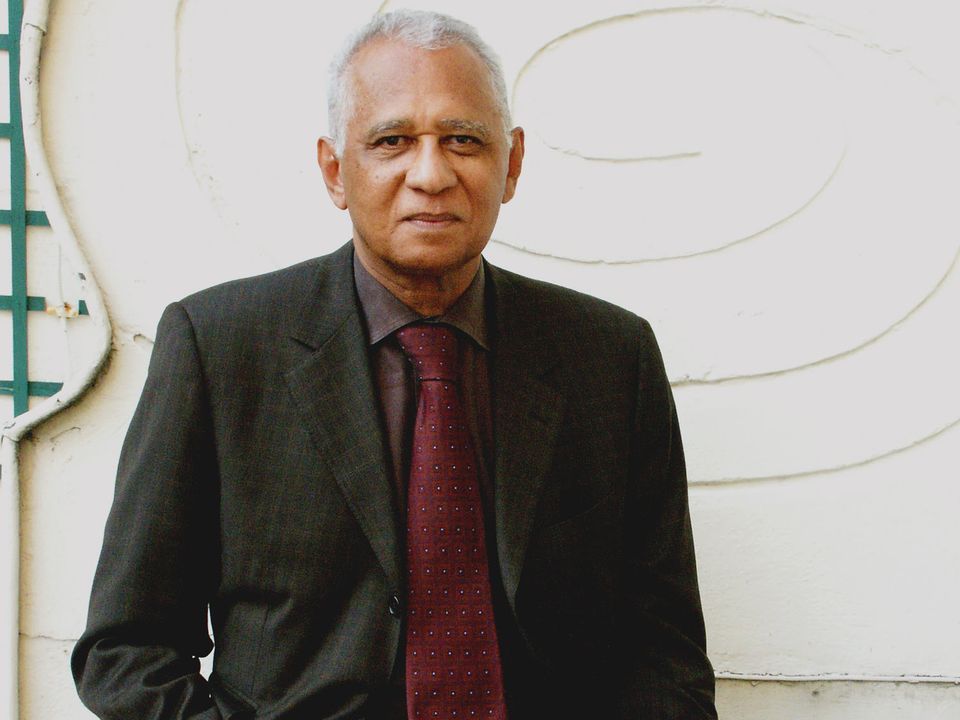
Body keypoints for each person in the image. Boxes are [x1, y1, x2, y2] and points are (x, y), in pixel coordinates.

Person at [72, 10, 716, 720]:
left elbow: (665, 653)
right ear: (334, 170)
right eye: (392, 141)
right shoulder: (220, 348)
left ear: (511, 164)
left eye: (463, 140)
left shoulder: (610, 358)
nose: (430, 175)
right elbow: (126, 650)